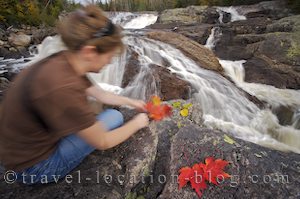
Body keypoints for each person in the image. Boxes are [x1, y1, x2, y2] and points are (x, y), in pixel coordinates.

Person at [0, 5, 149, 185]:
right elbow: (103, 141)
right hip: (32, 168)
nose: (110, 62)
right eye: (110, 56)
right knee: (114, 117)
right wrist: (138, 123)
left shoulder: (64, 60)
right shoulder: (63, 87)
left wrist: (132, 102)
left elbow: (100, 94)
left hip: (15, 151)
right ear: (89, 52)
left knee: (107, 115)